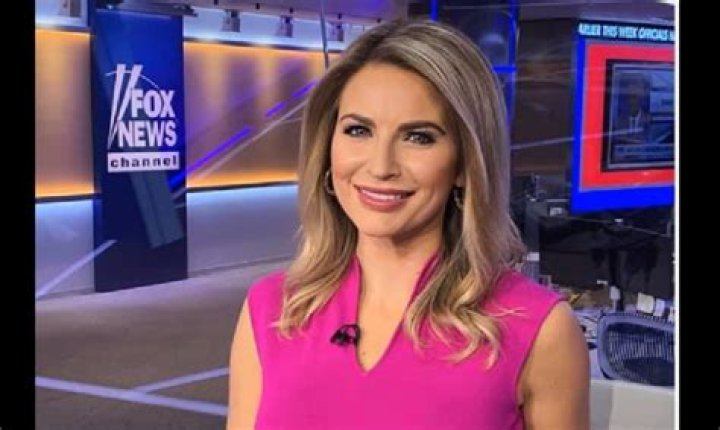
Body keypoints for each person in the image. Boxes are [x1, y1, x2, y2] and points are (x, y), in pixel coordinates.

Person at [227, 19, 589, 430]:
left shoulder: (539, 329)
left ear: (465, 163)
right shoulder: (271, 309)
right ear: (327, 148)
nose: (380, 166)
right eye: (358, 130)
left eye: (418, 137)